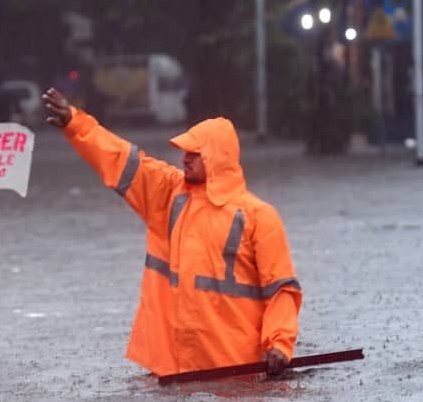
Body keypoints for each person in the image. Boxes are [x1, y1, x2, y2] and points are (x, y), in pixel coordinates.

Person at [43, 87, 302, 378]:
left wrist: (279, 344)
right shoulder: (169, 194)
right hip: (173, 371)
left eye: (195, 153)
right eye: (185, 153)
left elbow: (281, 289)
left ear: (217, 158)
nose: (185, 159)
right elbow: (121, 160)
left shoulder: (259, 216)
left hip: (235, 372)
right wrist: (75, 124)